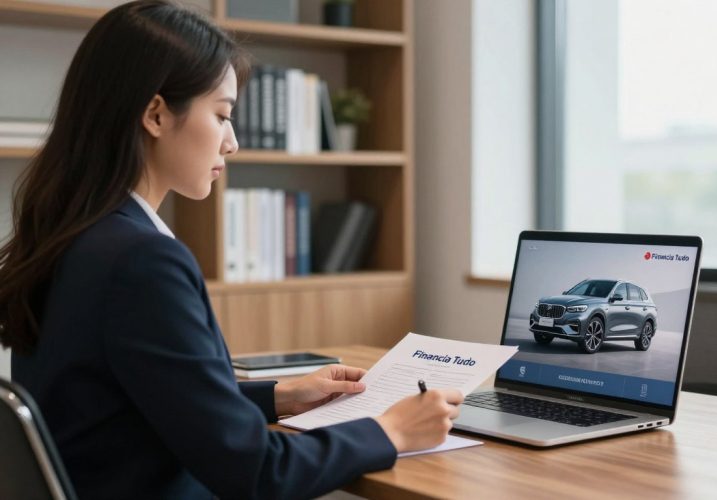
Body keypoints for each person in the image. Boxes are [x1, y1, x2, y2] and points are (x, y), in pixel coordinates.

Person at [0, 1, 463, 498]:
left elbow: (128, 400)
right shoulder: (141, 261)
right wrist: (391, 431)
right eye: (221, 115)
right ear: (156, 114)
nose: (233, 142)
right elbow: (256, 473)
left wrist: (279, 396)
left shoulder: (70, 236)